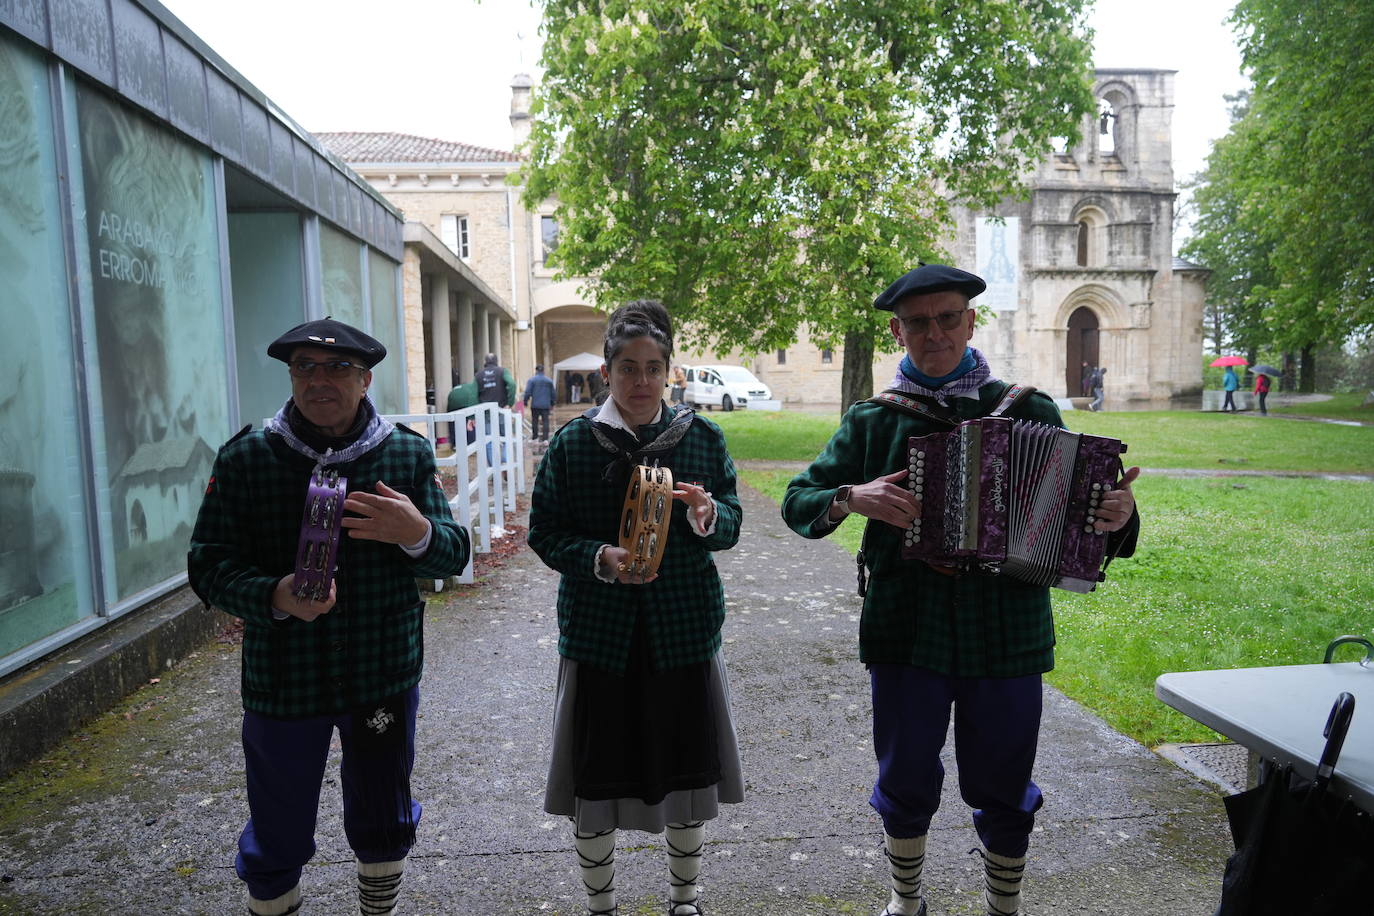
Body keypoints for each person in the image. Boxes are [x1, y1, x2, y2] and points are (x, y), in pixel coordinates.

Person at [780, 265, 1140, 916]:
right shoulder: (871, 422)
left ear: (972, 322)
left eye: (948, 317)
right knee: (905, 775)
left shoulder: (1026, 408)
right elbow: (798, 499)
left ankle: (1003, 906)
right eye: (918, 322)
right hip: (905, 627)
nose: (935, 333)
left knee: (1003, 779)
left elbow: (1080, 517)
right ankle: (905, 901)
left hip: (1009, 627)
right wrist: (849, 496)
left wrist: (1117, 514)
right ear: (897, 332)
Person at [187, 317, 470, 916]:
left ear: (365, 379)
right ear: (290, 378)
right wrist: (275, 596)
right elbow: (208, 567)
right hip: (284, 678)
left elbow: (454, 552)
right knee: (278, 823)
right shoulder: (248, 459)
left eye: (338, 368)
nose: (320, 380)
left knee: (381, 812)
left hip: (381, 672)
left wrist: (417, 534)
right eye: (305, 368)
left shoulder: (405, 454)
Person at [528, 300, 744, 916]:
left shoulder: (699, 437)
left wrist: (707, 516)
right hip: (601, 634)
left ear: (669, 372)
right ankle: (601, 904)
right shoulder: (573, 445)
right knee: (596, 775)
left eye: (653, 367)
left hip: (682, 627)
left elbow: (729, 522)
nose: (641, 381)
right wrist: (597, 556)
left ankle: (684, 899)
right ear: (606, 373)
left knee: (684, 770)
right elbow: (545, 533)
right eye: (628, 368)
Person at [476, 353, 516, 463]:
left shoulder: (478, 375)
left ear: (485, 361)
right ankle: (505, 459)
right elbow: (512, 384)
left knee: (489, 440)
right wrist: (510, 403)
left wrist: (473, 414)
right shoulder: (502, 371)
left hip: (486, 413)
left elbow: (474, 394)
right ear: (496, 361)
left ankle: (494, 467)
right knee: (506, 436)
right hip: (501, 410)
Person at [523, 364, 557, 441]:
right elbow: (553, 393)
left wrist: (525, 401)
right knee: (545, 421)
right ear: (543, 371)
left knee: (535, 421)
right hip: (545, 405)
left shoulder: (531, 380)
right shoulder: (549, 381)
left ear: (536, 371)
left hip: (535, 405)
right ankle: (545, 438)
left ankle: (535, 437)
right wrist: (552, 403)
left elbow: (527, 392)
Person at [447, 372, 479, 445]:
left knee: (453, 424)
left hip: (452, 404)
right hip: (465, 403)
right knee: (469, 423)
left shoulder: (456, 388)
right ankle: (471, 443)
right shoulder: (471, 387)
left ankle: (454, 443)